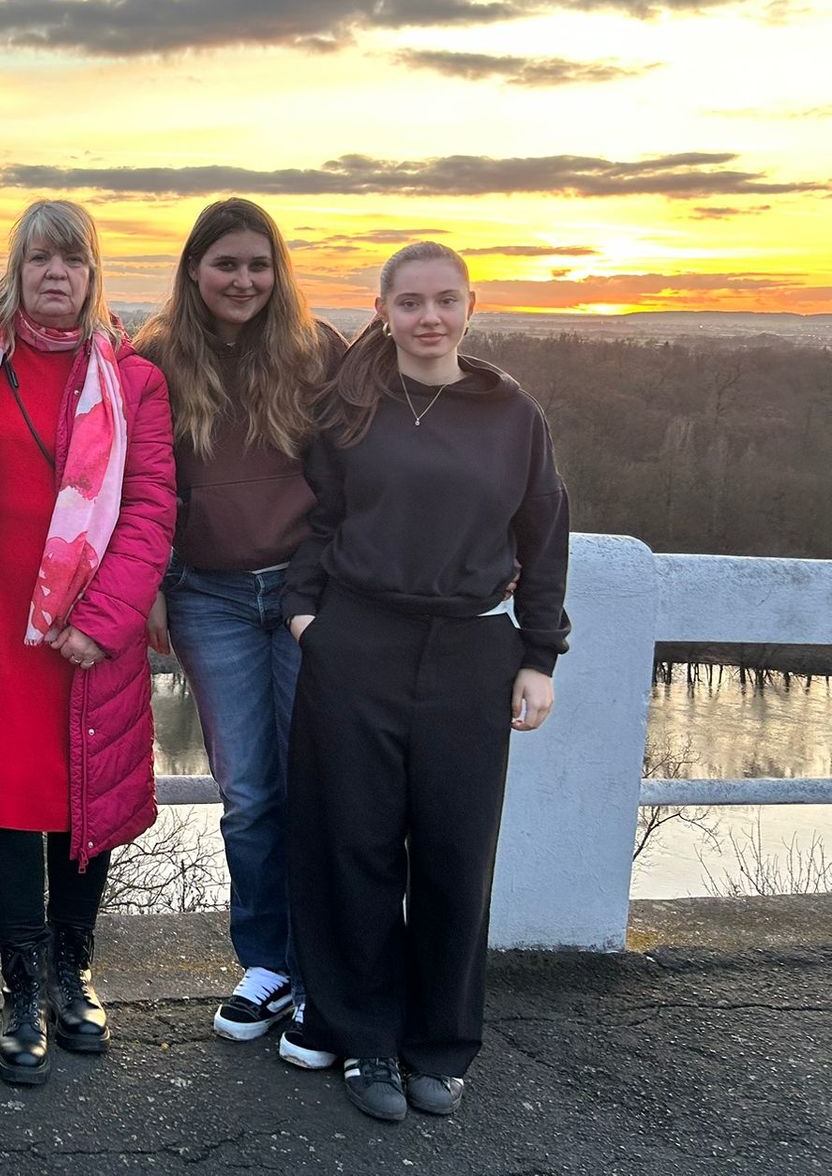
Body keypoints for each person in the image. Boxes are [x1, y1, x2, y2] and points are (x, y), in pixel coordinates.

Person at [282, 241, 569, 1123]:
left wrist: (539, 654)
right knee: (355, 846)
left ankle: (439, 1044)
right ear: (383, 311)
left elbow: (545, 533)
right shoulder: (352, 408)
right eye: (410, 302)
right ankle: (365, 1037)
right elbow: (320, 517)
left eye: (446, 299)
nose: (429, 317)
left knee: (454, 852)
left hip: (471, 649)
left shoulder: (511, 413)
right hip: (356, 643)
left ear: (472, 306)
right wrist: (305, 616)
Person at [0, 199, 175, 1087]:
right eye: (39, 260)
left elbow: (150, 509)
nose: (55, 274)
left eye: (72, 259)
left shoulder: (133, 380)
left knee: (82, 805)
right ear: (17, 269)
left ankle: (73, 974)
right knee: (8, 805)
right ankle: (20, 988)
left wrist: (102, 621)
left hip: (85, 638)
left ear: (94, 272)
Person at [133, 197, 345, 1065]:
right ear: (195, 269)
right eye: (226, 263)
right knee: (249, 788)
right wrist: (148, 583)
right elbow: (136, 482)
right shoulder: (156, 357)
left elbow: (362, 471)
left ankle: (320, 967)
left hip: (305, 594)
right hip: (208, 598)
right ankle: (267, 963)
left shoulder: (316, 350)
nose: (244, 280)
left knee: (313, 782)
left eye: (259, 264)